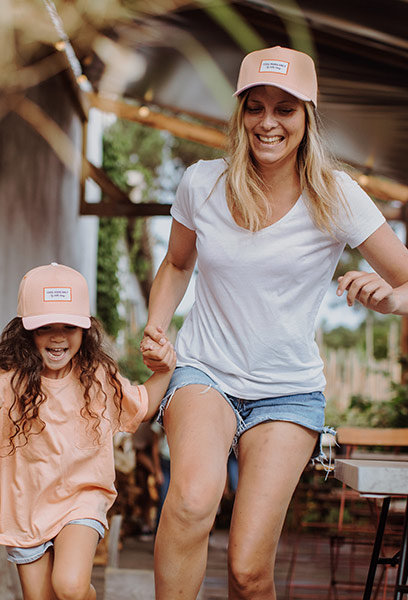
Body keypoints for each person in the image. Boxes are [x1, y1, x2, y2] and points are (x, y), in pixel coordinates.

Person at [140, 45, 408, 599]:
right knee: (191, 501)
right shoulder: (202, 183)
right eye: (255, 106)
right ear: (239, 112)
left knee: (248, 570)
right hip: (204, 372)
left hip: (288, 392)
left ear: (308, 116)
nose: (268, 122)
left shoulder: (337, 195)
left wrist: (392, 301)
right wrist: (156, 326)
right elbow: (178, 263)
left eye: (285, 108)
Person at [0, 262, 176, 600]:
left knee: (69, 586)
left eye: (69, 326)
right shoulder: (4, 380)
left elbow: (142, 406)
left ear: (85, 330)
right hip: (24, 510)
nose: (58, 337)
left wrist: (166, 370)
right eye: (44, 328)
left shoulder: (96, 376)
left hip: (82, 499)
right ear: (26, 332)